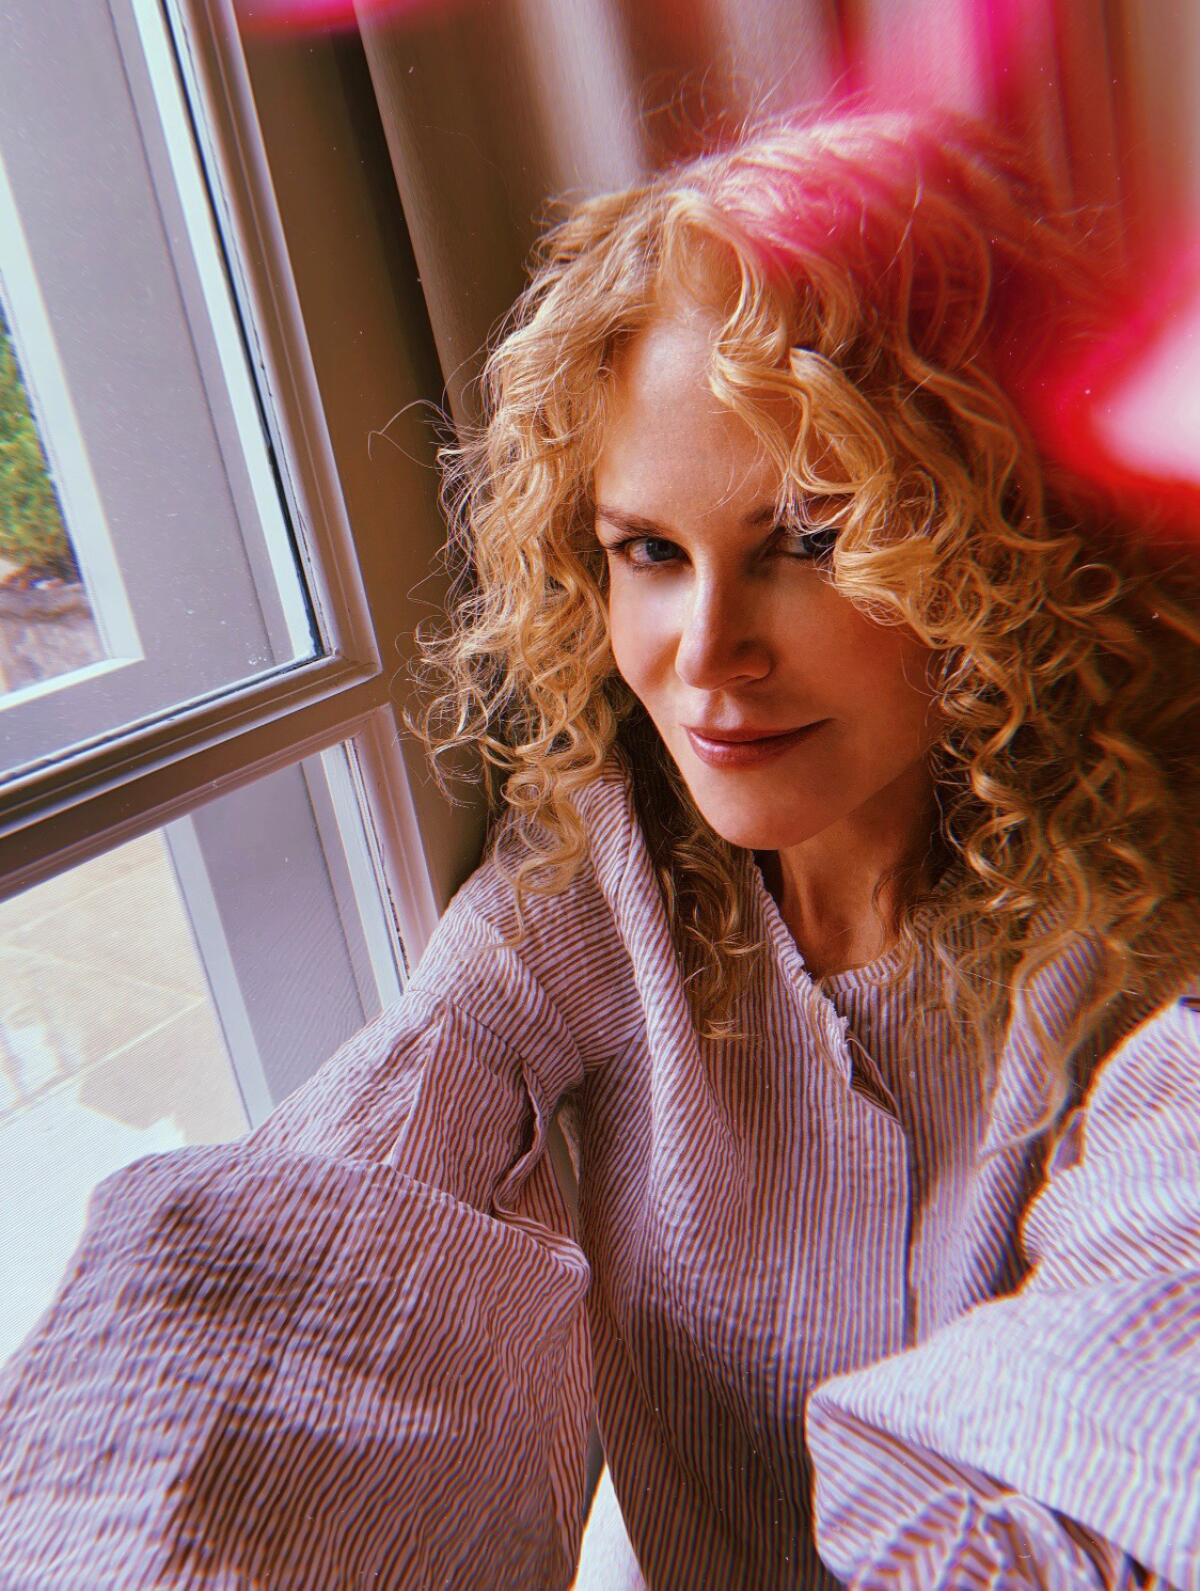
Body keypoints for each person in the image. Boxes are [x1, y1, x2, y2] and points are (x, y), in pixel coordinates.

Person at [2, 110, 1198, 1590]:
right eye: (649, 550)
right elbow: (302, 1253)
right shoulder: (592, 888)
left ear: (1004, 534)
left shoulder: (1151, 937)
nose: (707, 657)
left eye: (809, 542)